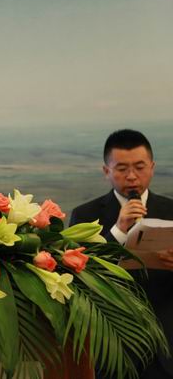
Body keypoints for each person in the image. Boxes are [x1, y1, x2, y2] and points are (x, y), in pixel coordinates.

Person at [70, 129, 173, 378]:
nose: (132, 176)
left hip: (167, 338)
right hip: (114, 342)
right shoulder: (85, 215)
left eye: (139, 167)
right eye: (122, 169)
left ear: (152, 167)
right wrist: (118, 230)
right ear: (107, 171)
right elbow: (79, 275)